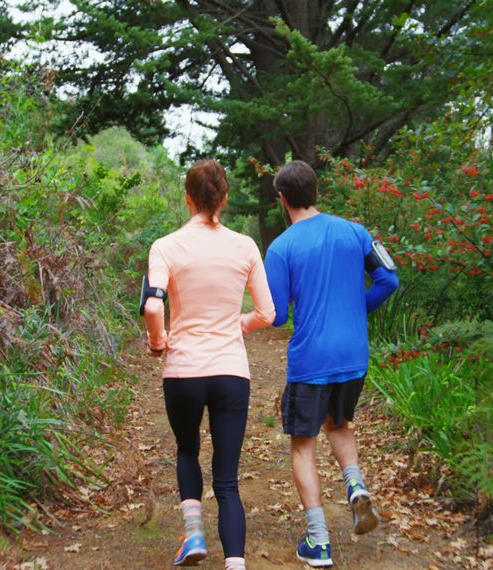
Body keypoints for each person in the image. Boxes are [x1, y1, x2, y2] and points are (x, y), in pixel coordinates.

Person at [264, 160, 399, 567]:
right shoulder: (356, 232)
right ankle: (356, 488)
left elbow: (277, 317)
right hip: (354, 357)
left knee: (303, 448)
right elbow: (390, 278)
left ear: (283, 199)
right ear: (315, 191)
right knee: (339, 424)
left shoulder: (281, 247)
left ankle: (318, 542)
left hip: (312, 360)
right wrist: (358, 309)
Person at [143, 159, 276, 570]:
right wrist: (239, 322)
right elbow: (267, 313)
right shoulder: (245, 247)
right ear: (225, 198)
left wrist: (157, 341)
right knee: (228, 479)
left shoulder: (165, 246)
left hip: (183, 370)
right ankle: (235, 562)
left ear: (187, 198)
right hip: (231, 372)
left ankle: (194, 534)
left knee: (187, 449)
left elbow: (152, 305)